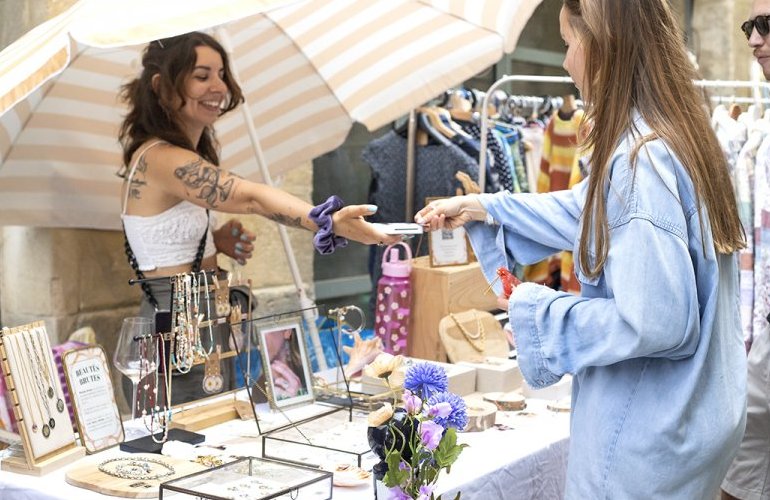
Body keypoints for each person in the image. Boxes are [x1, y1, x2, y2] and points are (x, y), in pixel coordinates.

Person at [416, 0, 747, 497]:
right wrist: (488, 208)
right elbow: (591, 213)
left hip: (647, 434)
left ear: (602, 45)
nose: (567, 62)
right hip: (691, 420)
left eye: (569, 44)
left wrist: (537, 308)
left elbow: (654, 320)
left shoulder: (641, 159)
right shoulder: (676, 137)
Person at [118, 31, 398, 405]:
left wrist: (214, 242)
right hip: (175, 339)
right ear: (162, 87)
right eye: (202, 76)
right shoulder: (162, 157)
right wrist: (327, 221)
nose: (219, 86)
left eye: (221, 74)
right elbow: (249, 197)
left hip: (205, 328)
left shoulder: (179, 155)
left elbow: (156, 241)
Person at [722, 3, 770, 499]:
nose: (754, 40)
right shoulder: (761, 136)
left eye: (766, 26)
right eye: (749, 27)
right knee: (739, 475)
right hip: (759, 338)